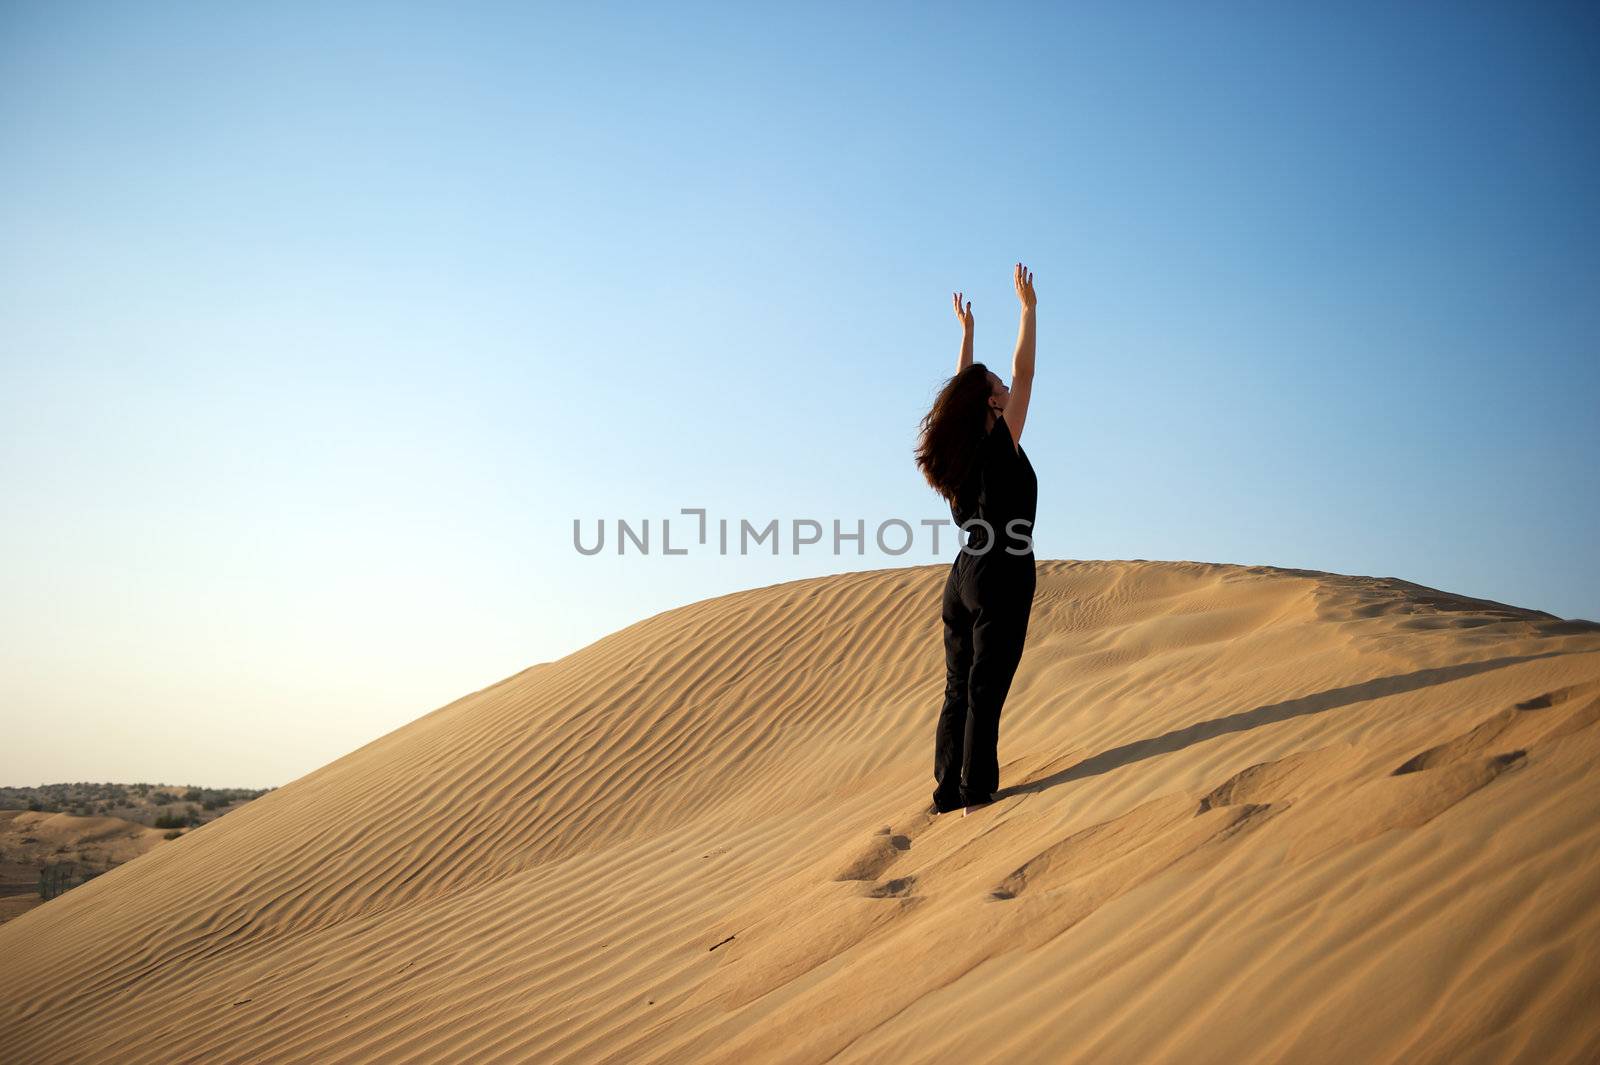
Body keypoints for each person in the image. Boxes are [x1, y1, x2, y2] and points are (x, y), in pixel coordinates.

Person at [914, 263, 1038, 815]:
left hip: (962, 572)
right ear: (992, 405)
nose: (1009, 391)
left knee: (958, 687)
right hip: (1003, 568)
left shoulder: (959, 452)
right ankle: (976, 794)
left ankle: (946, 792)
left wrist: (965, 338)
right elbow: (1025, 372)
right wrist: (1028, 311)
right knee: (985, 687)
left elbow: (968, 392)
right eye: (1000, 391)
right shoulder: (999, 442)